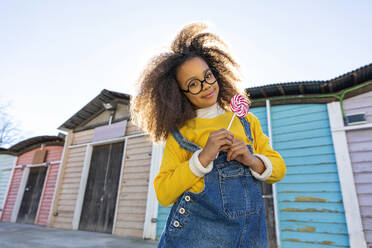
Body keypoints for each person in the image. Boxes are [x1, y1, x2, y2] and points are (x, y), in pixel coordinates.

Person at [131, 22, 286, 248]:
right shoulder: (181, 134)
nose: (205, 86)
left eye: (208, 75)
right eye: (193, 84)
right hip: (193, 238)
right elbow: (164, 193)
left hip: (247, 237)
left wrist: (252, 160)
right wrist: (202, 158)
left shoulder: (246, 123)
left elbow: (278, 169)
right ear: (179, 93)